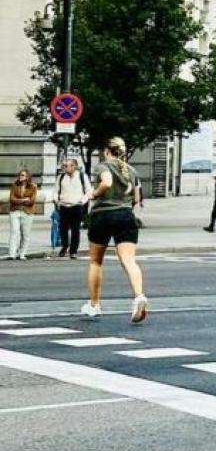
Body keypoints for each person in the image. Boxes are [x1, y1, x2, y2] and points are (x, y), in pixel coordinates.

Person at [82, 137, 148, 323]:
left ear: (107, 151)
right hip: (126, 216)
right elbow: (136, 197)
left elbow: (107, 182)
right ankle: (139, 296)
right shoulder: (132, 171)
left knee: (96, 261)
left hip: (103, 215)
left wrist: (93, 194)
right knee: (129, 260)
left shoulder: (103, 166)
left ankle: (94, 305)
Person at [54, 159, 89, 260]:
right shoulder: (60, 177)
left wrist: (82, 201)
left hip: (76, 206)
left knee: (75, 229)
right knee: (63, 228)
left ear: (74, 167)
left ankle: (73, 251)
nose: (65, 168)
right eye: (64, 166)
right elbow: (56, 190)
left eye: (67, 166)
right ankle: (65, 246)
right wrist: (57, 201)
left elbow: (89, 191)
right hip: (64, 206)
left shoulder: (82, 176)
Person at [8, 169, 39, 260]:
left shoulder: (33, 186)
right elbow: (11, 199)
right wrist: (23, 200)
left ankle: (22, 254)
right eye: (20, 175)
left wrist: (20, 201)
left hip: (28, 212)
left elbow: (32, 201)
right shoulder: (14, 185)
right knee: (14, 232)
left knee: (25, 234)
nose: (20, 177)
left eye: (23, 175)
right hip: (15, 211)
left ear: (27, 177)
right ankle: (12, 254)